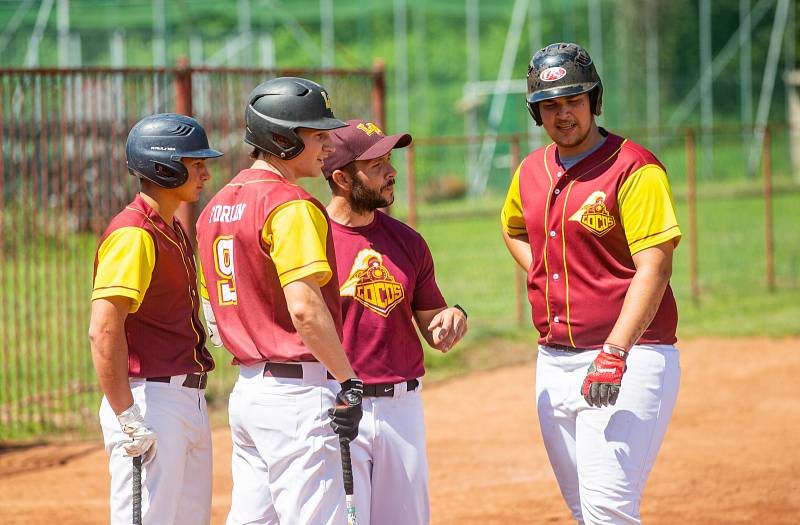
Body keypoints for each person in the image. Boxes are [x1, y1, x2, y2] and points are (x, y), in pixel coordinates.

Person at [500, 42, 682, 524]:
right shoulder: (530, 172)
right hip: (553, 360)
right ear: (537, 111)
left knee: (608, 510)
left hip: (629, 355)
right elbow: (513, 229)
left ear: (594, 101)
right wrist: (545, 269)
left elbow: (655, 267)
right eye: (551, 104)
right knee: (585, 510)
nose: (564, 115)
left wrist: (616, 352)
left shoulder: (633, 167)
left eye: (574, 101)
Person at [195, 77, 364, 525]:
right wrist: (348, 381)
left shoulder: (217, 206)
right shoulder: (290, 205)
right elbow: (306, 308)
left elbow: (210, 304)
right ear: (282, 139)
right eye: (317, 135)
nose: (328, 145)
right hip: (297, 395)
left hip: (249, 391)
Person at [322, 119, 468, 525]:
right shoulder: (310, 239)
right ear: (340, 177)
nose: (392, 172)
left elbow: (432, 322)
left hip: (402, 408)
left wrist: (449, 318)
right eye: (376, 165)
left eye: (389, 160)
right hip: (337, 404)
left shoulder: (408, 241)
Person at [88, 113, 223, 524]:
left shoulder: (171, 228)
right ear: (163, 166)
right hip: (149, 401)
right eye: (195, 163)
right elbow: (104, 329)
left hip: (186, 399)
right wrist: (126, 414)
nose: (205, 173)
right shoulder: (135, 234)